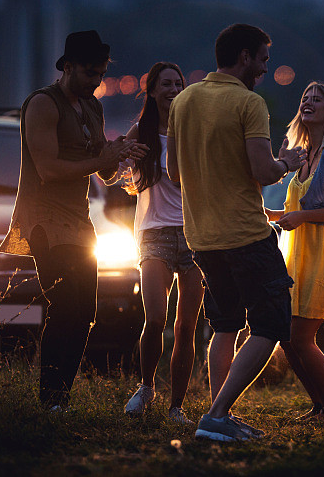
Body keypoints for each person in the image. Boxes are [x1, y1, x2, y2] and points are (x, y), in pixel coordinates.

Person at [166, 23, 307, 442]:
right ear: (244, 56)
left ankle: (218, 415)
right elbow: (263, 170)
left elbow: (174, 173)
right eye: (262, 59)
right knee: (271, 324)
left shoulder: (183, 100)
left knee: (225, 325)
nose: (265, 68)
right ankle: (216, 415)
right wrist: (288, 163)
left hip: (201, 238)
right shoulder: (249, 102)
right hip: (246, 235)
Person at [0, 30, 148, 410]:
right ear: (67, 67)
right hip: (45, 219)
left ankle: (59, 399)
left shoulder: (93, 107)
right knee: (64, 308)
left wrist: (118, 155)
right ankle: (49, 398)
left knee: (85, 314)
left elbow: (104, 172)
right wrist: (101, 159)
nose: (96, 81)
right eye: (89, 73)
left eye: (100, 74)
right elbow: (48, 170)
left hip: (79, 221)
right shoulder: (43, 104)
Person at [264, 82, 324, 424]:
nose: (308, 102)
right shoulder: (305, 154)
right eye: (305, 98)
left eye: (317, 100)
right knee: (287, 339)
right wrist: (271, 215)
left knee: (301, 338)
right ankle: (319, 407)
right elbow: (298, 208)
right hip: (299, 257)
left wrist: (302, 217)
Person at [120, 62, 204, 425]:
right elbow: (113, 172)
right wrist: (116, 157)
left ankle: (176, 408)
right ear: (152, 91)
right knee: (155, 318)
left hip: (194, 234)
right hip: (154, 233)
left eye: (178, 84)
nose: (173, 89)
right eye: (166, 84)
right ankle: (146, 387)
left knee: (186, 327)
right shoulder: (141, 131)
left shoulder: (193, 130)